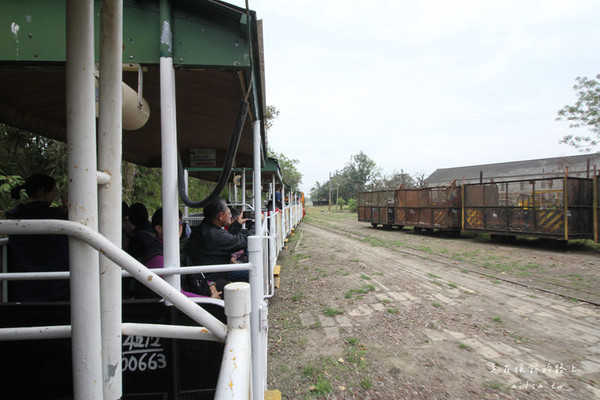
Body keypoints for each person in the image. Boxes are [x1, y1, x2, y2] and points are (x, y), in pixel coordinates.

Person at [5, 173, 70, 302]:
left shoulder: (13, 216)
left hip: (22, 285)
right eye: (53, 192)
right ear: (42, 192)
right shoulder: (56, 217)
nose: (54, 196)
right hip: (56, 286)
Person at [138, 208, 223, 299]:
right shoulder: (157, 258)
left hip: (189, 295)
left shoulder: (174, 249)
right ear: (159, 228)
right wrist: (209, 300)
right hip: (171, 308)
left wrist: (211, 285)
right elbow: (176, 294)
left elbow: (195, 274)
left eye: (179, 223)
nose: (179, 227)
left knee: (223, 285)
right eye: (173, 224)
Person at [186, 198, 248, 283]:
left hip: (208, 271)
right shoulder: (214, 235)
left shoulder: (203, 228)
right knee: (251, 272)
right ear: (220, 216)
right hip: (215, 275)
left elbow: (227, 238)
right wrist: (258, 225)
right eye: (228, 213)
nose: (230, 215)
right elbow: (243, 241)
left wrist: (237, 224)